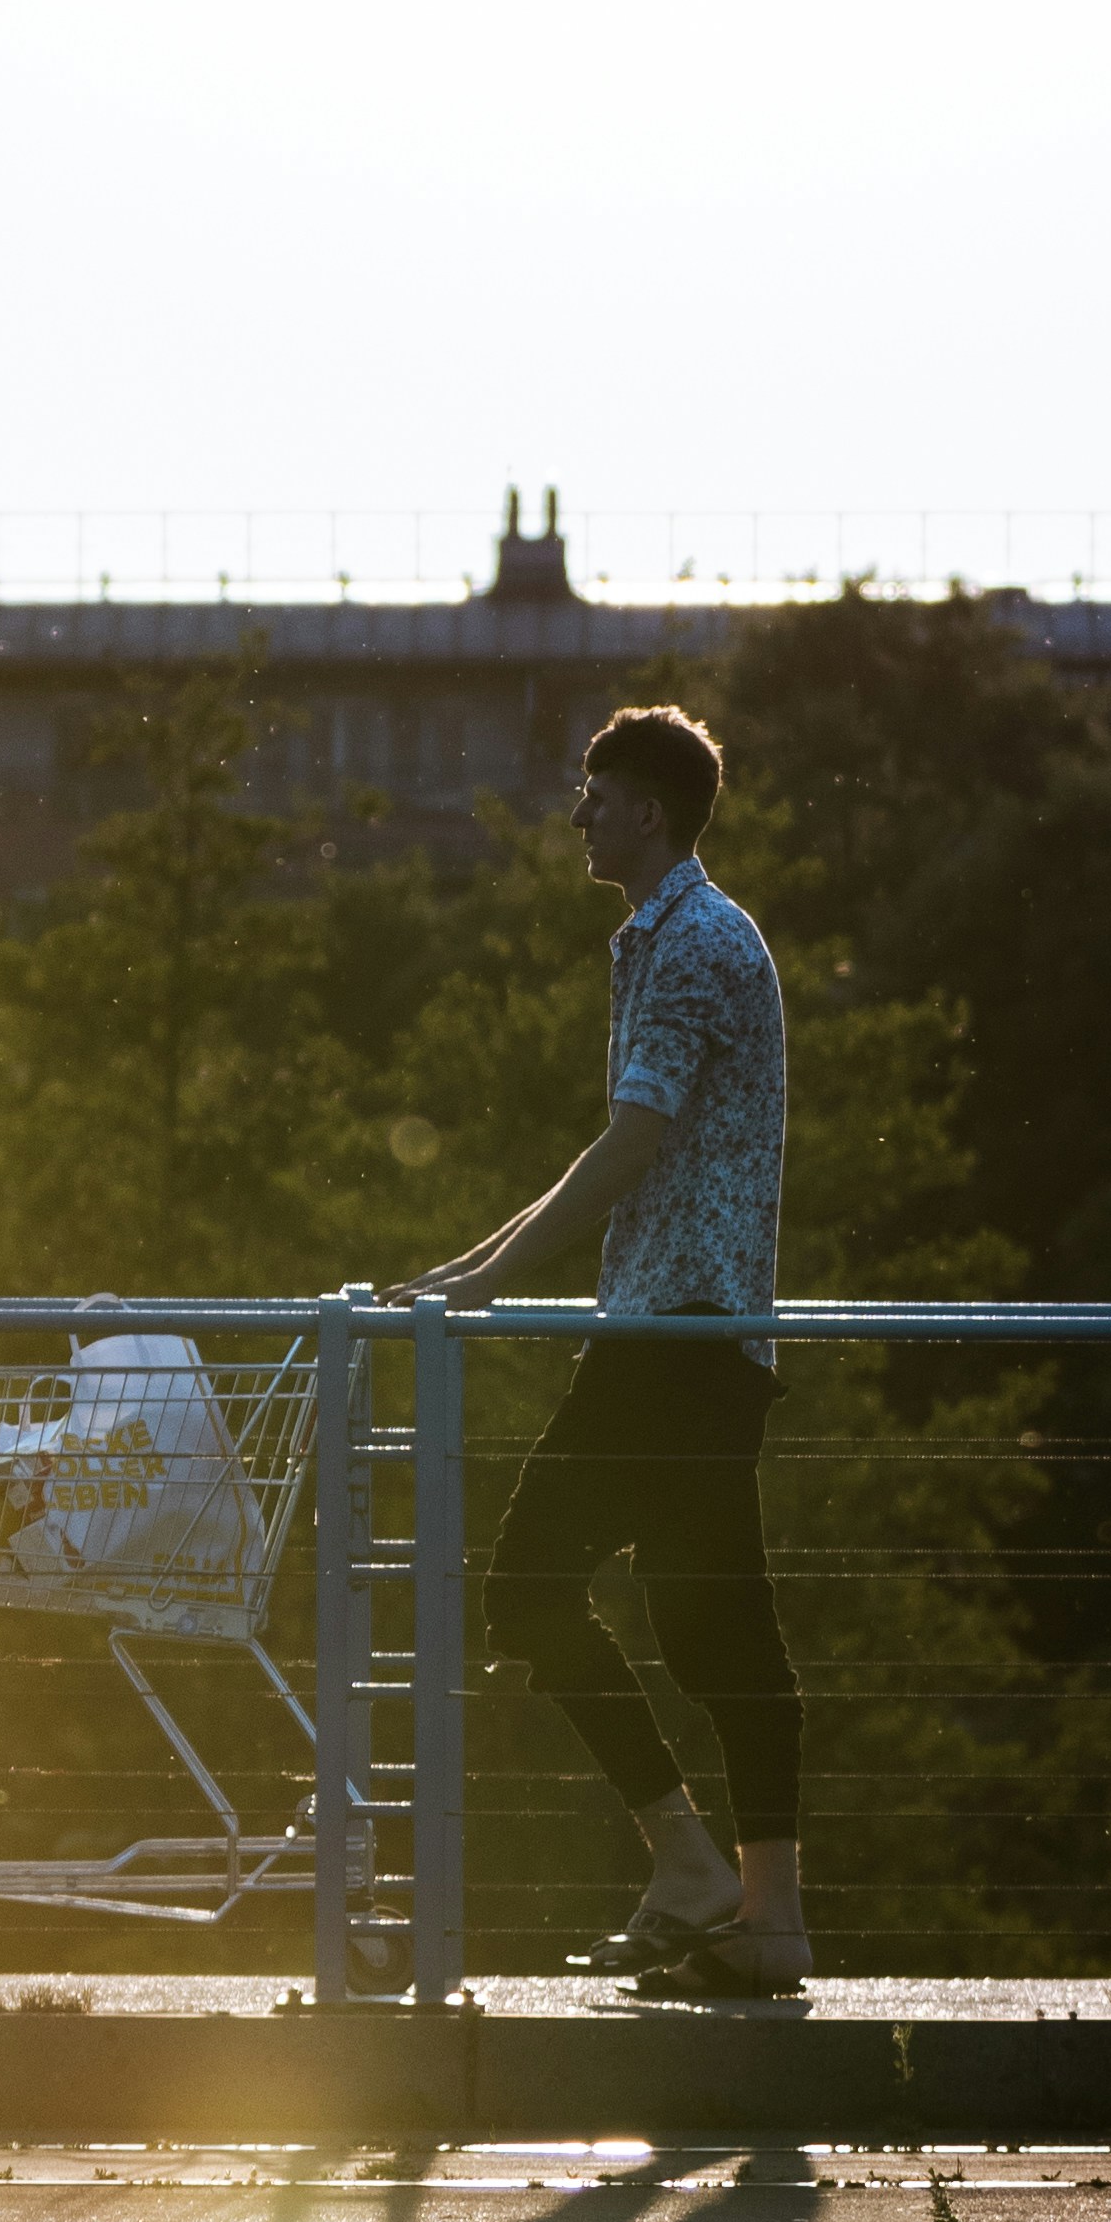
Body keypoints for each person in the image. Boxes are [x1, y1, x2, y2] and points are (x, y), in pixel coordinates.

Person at [412, 698, 804, 1996]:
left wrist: (489, 1271)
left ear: (646, 809)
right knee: (711, 1629)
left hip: (678, 1328)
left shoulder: (690, 941)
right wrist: (479, 1268)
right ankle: (759, 1916)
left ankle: (707, 1880)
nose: (577, 812)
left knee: (538, 1587)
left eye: (594, 793)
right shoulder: (669, 936)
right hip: (677, 1321)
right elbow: (627, 1154)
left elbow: (632, 1145)